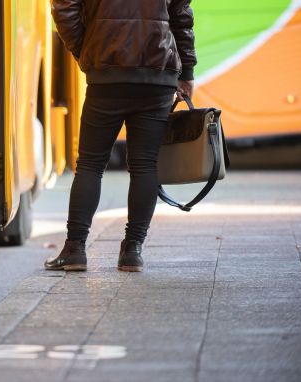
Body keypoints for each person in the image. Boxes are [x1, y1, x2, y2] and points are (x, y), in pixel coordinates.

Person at [44, 0, 197, 272]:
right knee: (145, 164)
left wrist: (86, 49)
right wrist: (187, 71)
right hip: (157, 72)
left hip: (106, 73)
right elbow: (181, 15)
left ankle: (76, 249)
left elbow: (64, 7)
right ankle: (133, 250)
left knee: (90, 164)